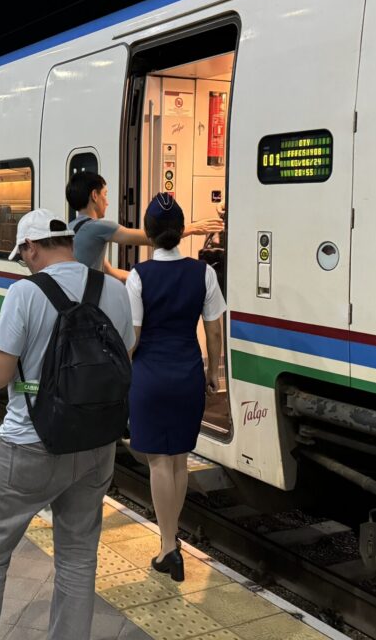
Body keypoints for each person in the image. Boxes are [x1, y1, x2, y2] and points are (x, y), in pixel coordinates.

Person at [0, 209, 134, 640]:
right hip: (96, 445)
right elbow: (125, 357)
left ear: (32, 248)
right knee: (77, 560)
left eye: (23, 256)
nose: (25, 264)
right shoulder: (114, 290)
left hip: (30, 445)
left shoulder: (25, 293)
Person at [125, 194, 227, 582]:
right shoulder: (204, 273)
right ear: (180, 231)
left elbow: (132, 337)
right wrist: (213, 372)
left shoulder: (138, 276)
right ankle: (173, 540)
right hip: (187, 372)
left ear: (150, 235)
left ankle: (168, 546)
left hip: (149, 376)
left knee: (157, 461)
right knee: (180, 459)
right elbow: (213, 328)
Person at [65, 171, 222, 282]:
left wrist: (145, 281)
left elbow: (110, 272)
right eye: (105, 194)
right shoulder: (98, 227)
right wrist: (193, 228)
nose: (107, 201)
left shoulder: (72, 228)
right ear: (94, 195)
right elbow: (152, 237)